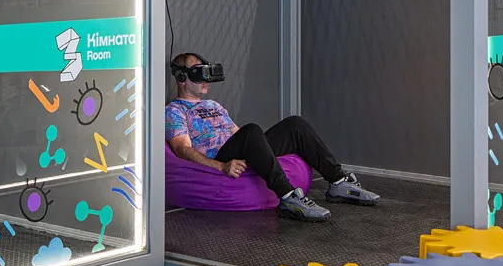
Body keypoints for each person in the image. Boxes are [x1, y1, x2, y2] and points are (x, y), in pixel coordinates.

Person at [163, 52, 380, 218]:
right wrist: (221, 166)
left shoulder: (213, 105)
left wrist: (260, 148)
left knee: (295, 124)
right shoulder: (174, 110)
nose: (206, 80)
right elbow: (182, 149)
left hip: (239, 147)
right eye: (199, 74)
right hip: (221, 157)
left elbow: (236, 133)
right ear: (182, 78)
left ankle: (338, 181)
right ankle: (288, 197)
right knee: (252, 131)